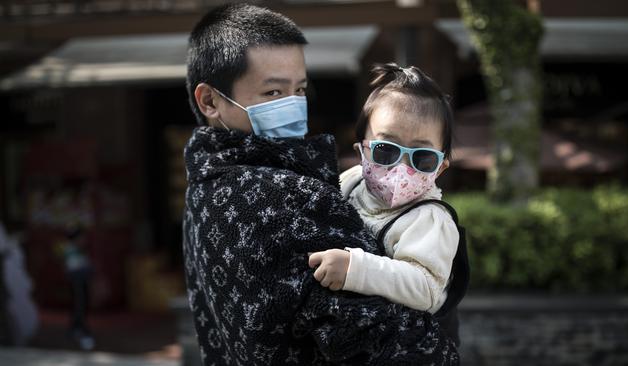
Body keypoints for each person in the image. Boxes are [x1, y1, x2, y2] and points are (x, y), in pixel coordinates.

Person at [183, 4, 459, 365]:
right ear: (210, 100)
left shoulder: (200, 191)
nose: (294, 105)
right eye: (273, 93)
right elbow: (391, 343)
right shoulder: (288, 194)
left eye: (299, 89)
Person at [308, 63, 469, 345]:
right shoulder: (353, 181)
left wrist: (355, 269)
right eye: (386, 150)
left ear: (440, 169)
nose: (401, 168)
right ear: (361, 150)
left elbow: (426, 289)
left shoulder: (430, 219)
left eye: (422, 158)